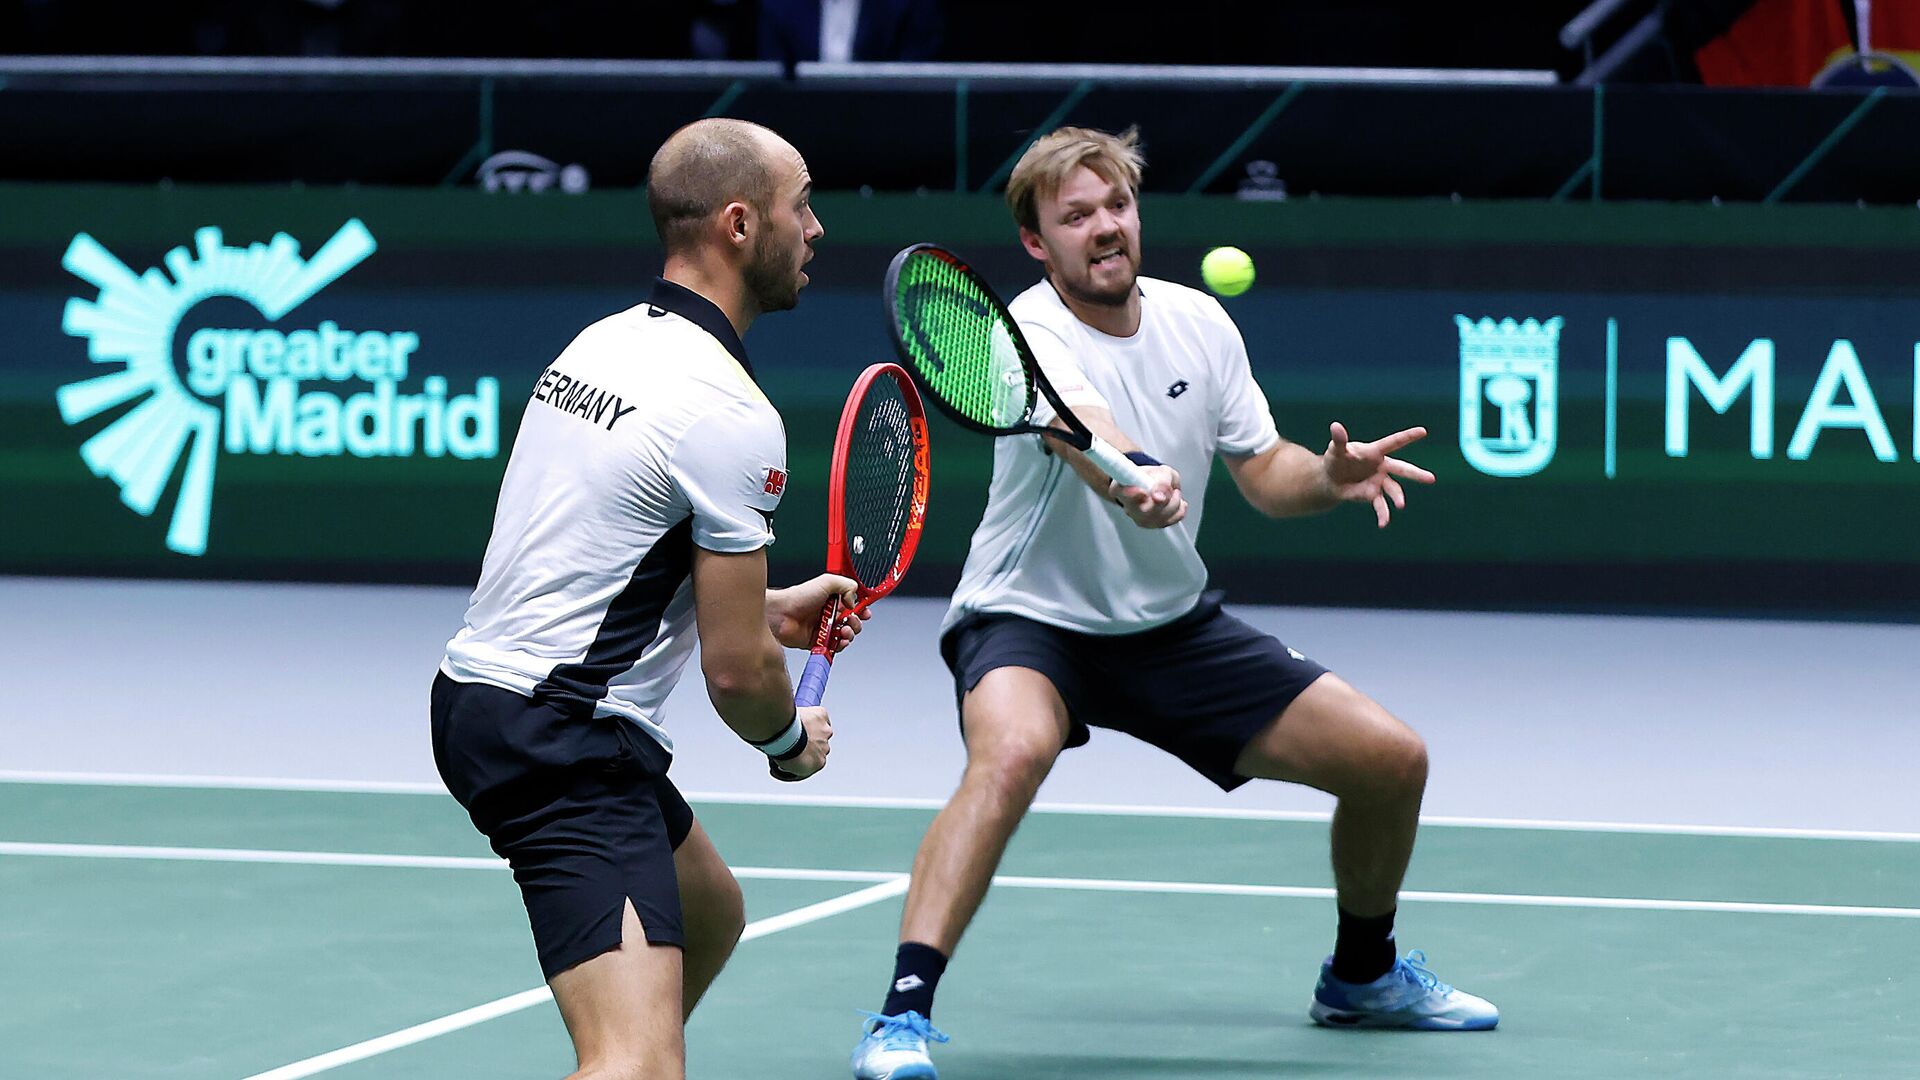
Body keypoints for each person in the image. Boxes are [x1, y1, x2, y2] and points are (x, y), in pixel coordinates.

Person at [849, 125, 1497, 1080]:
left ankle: (1362, 977)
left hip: (1169, 627)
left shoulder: (1200, 323)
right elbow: (1085, 432)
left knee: (1391, 762)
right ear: (1038, 242)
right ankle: (901, 1017)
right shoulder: (1022, 333)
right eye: (1076, 216)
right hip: (1029, 619)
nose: (1105, 228)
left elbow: (1266, 475)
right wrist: (1132, 479)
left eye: (1117, 205)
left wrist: (1328, 475)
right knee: (1013, 753)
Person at [432, 117, 853, 1080]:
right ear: (741, 226)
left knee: (709, 910)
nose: (817, 229)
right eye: (803, 205)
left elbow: (607, 550)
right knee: (637, 1065)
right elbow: (740, 675)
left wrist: (767, 602)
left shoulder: (608, 342)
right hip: (565, 738)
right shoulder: (731, 412)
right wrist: (790, 741)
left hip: (481, 694)